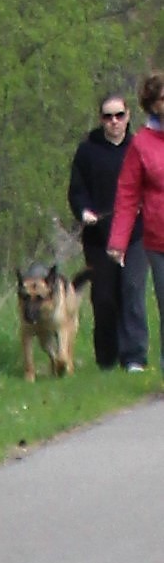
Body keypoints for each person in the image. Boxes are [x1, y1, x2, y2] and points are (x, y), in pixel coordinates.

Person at [70, 91, 136, 369]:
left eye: (119, 115)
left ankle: (133, 357)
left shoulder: (137, 147)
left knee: (131, 293)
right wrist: (85, 212)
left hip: (135, 234)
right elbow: (77, 190)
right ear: (101, 120)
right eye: (108, 117)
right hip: (99, 238)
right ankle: (106, 360)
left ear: (128, 116)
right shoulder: (87, 151)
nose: (114, 122)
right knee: (104, 297)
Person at [108, 72, 164, 375]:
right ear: (154, 105)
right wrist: (118, 241)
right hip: (159, 239)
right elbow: (127, 196)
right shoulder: (142, 145)